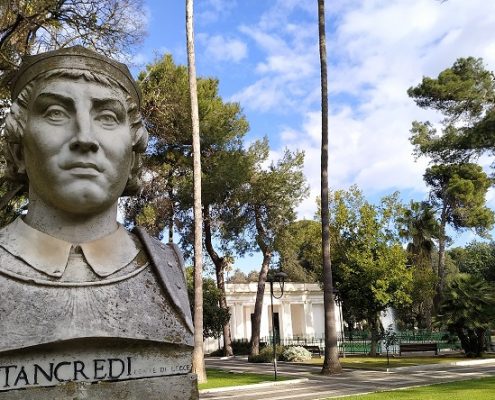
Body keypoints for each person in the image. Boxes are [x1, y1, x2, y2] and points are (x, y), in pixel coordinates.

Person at [0, 46, 194, 393]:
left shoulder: (167, 268)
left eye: (107, 117)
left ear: (133, 157)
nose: (85, 138)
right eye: (57, 113)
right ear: (17, 148)